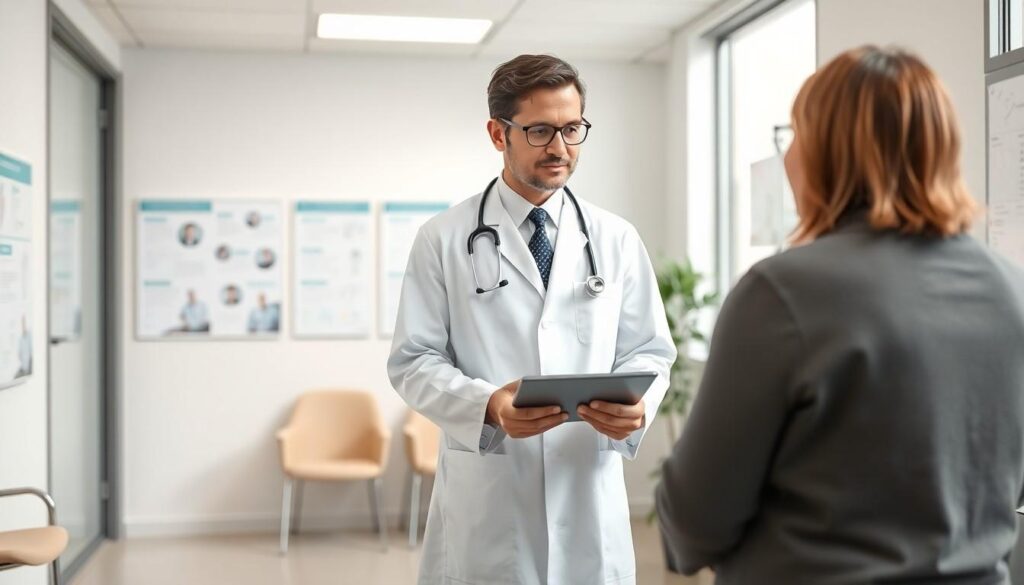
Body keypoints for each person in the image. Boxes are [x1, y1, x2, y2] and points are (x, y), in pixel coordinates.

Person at [656, 46, 1024, 584]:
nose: (787, 157)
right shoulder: (1010, 290)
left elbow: (696, 519)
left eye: (796, 135)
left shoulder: (781, 293)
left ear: (828, 151)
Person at [387, 54, 675, 585]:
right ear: (499, 133)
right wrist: (488, 406)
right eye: (541, 130)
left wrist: (639, 405)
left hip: (587, 489)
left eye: (572, 129)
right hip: (491, 500)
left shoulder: (615, 238)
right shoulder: (443, 239)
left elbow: (651, 350)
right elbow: (413, 360)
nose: (560, 149)